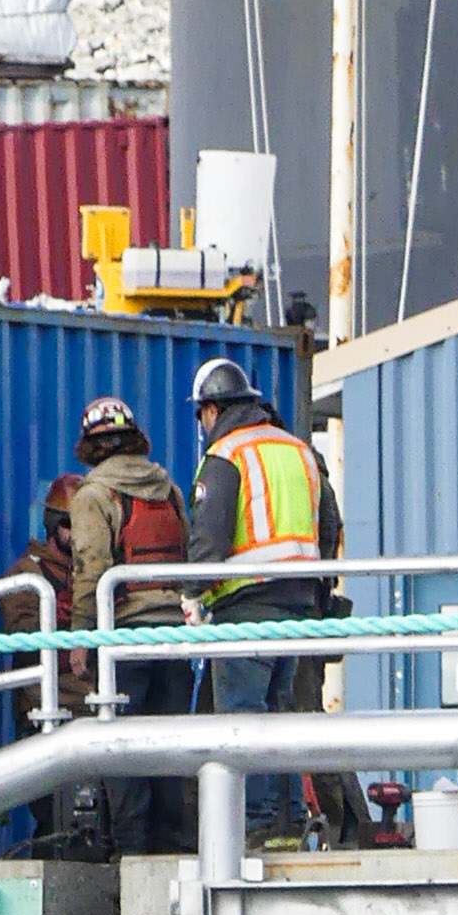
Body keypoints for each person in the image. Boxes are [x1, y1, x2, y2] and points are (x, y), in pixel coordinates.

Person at [184, 355, 342, 835]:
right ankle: (288, 819)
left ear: (211, 410)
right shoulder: (299, 450)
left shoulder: (226, 456)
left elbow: (207, 538)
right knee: (282, 715)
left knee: (242, 718)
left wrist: (192, 595)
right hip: (299, 604)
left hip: (246, 603)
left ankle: (254, 824)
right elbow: (330, 524)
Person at [66, 394, 198, 851]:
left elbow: (90, 567)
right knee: (170, 751)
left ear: (90, 446)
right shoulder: (170, 488)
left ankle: (132, 859)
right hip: (174, 639)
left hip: (123, 640)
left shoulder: (93, 495)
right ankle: (176, 855)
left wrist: (82, 638)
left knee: (121, 751)